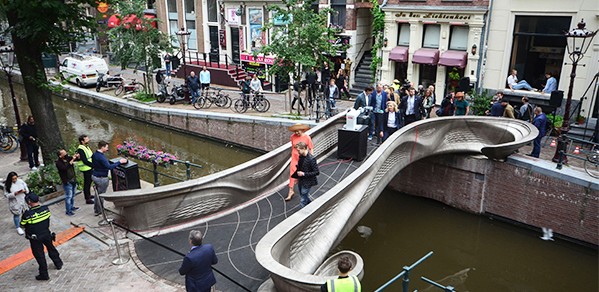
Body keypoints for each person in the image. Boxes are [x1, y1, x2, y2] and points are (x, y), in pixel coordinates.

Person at [20, 193, 63, 281]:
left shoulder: (27, 214)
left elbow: (22, 224)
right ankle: (58, 263)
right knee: (51, 248)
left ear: (29, 202)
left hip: (35, 238)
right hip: (47, 234)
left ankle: (44, 274)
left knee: (40, 255)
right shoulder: (46, 209)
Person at [91, 141, 128, 216]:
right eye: (106, 147)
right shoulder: (101, 157)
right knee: (101, 195)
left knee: (97, 194)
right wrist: (119, 162)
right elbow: (109, 167)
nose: (107, 149)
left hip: (94, 175)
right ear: (102, 147)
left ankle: (97, 209)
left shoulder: (95, 154)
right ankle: (99, 210)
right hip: (101, 178)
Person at [286, 123, 314, 201]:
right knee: (292, 173)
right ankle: (290, 191)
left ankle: (304, 191)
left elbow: (311, 148)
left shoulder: (307, 137)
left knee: (303, 174)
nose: (296, 133)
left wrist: (311, 159)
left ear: (302, 130)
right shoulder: (292, 137)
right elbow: (293, 147)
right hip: (295, 158)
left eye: (298, 131)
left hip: (304, 158)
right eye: (295, 131)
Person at [293, 141, 319, 208]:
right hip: (301, 179)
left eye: (299, 150)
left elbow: (316, 172)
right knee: (302, 194)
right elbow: (299, 167)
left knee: (303, 197)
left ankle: (302, 210)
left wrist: (304, 174)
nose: (297, 152)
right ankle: (310, 204)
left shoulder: (311, 159)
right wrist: (296, 177)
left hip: (308, 181)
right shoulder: (301, 156)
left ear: (304, 148)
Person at [55, 149, 79, 216]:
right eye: (64, 153)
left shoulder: (68, 158)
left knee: (73, 195)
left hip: (73, 179)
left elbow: (75, 159)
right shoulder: (58, 163)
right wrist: (71, 161)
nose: (66, 153)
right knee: (68, 196)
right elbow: (64, 168)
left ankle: (72, 207)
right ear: (60, 156)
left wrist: (76, 156)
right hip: (67, 181)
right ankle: (68, 210)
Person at [76, 135, 95, 205]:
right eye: (86, 139)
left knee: (89, 182)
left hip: (89, 167)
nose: (88, 140)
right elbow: (84, 160)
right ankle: (87, 199)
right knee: (87, 183)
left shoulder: (86, 147)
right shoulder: (81, 149)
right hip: (86, 168)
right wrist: (93, 165)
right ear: (82, 141)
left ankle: (89, 195)